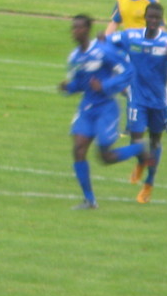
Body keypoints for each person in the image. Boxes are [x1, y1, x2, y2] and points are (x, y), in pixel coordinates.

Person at [59, 14, 152, 210]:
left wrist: (105, 85)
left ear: (88, 30)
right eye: (73, 28)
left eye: (79, 28)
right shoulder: (74, 57)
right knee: (78, 149)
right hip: (87, 108)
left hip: (106, 107)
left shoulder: (103, 51)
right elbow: (80, 84)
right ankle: (89, 200)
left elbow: (127, 72)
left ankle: (141, 148)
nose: (75, 31)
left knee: (105, 156)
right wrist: (68, 88)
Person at [108, 2, 167, 204]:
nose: (153, 21)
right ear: (146, 18)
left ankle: (149, 182)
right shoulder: (131, 36)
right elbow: (108, 41)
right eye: (151, 17)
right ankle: (142, 162)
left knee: (156, 141)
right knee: (136, 140)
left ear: (161, 21)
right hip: (137, 98)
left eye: (157, 19)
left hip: (160, 101)